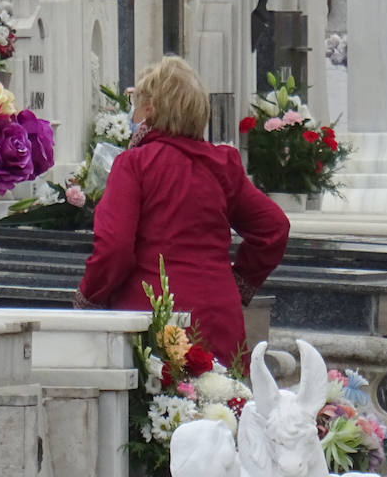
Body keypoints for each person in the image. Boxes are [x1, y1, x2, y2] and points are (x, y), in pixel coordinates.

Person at [75, 57, 289, 367]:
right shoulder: (221, 164)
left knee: (163, 413)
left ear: (150, 109)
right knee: (222, 410)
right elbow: (274, 228)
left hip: (154, 318)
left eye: (136, 103)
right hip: (219, 315)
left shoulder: (135, 164)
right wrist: (239, 280)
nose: (132, 113)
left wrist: (89, 299)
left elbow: (114, 247)